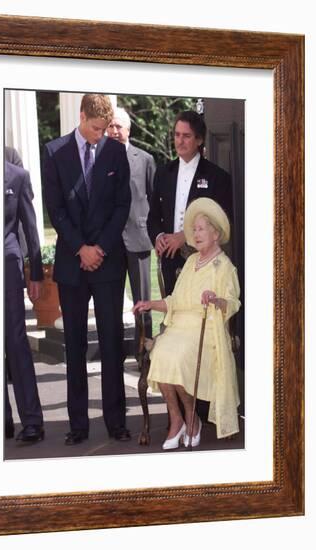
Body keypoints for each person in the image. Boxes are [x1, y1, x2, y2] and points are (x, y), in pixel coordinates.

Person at [43, 94, 132, 445]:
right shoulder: (54, 152)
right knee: (76, 346)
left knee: (112, 343)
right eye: (96, 128)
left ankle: (117, 422)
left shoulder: (115, 151)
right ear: (81, 117)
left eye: (105, 128)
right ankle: (77, 425)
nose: (100, 135)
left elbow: (121, 204)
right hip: (72, 265)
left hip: (108, 263)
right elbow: (56, 208)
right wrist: (81, 248)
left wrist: (101, 248)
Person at [133, 198, 240, 449]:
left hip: (205, 328)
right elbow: (174, 301)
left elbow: (233, 303)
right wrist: (150, 304)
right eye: (195, 229)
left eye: (202, 229)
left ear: (215, 234)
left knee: (178, 357)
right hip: (178, 327)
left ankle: (192, 420)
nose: (196, 233)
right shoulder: (191, 262)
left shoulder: (224, 267)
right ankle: (177, 419)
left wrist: (216, 300)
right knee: (161, 353)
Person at [147, 110, 233, 297]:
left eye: (186, 136)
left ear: (199, 140)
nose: (180, 141)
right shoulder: (163, 173)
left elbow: (223, 222)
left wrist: (186, 236)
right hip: (170, 259)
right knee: (173, 315)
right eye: (177, 135)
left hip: (204, 259)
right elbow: (153, 216)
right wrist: (159, 236)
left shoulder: (218, 177)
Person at [106, 107, 156, 354]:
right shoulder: (98, 158)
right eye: (111, 126)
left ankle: (144, 353)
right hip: (110, 243)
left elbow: (154, 200)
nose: (114, 131)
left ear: (128, 129)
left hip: (139, 239)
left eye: (119, 126)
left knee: (143, 303)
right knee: (111, 303)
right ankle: (114, 353)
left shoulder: (145, 159)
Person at [4, 161, 45, 442]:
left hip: (7, 266)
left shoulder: (18, 176)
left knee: (16, 341)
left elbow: (30, 228)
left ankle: (32, 421)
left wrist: (37, 273)